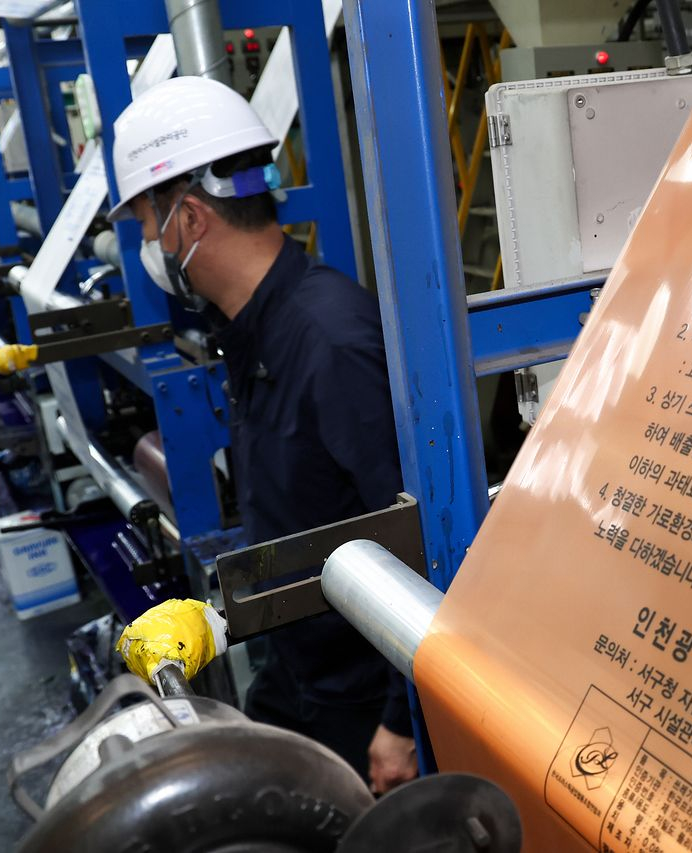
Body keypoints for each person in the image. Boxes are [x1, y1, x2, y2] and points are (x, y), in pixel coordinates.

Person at [106, 75, 417, 793]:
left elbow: (427, 542)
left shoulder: (329, 341)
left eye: (149, 224)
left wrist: (402, 723)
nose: (149, 243)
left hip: (363, 706)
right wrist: (220, 619)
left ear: (188, 218)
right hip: (299, 673)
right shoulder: (256, 332)